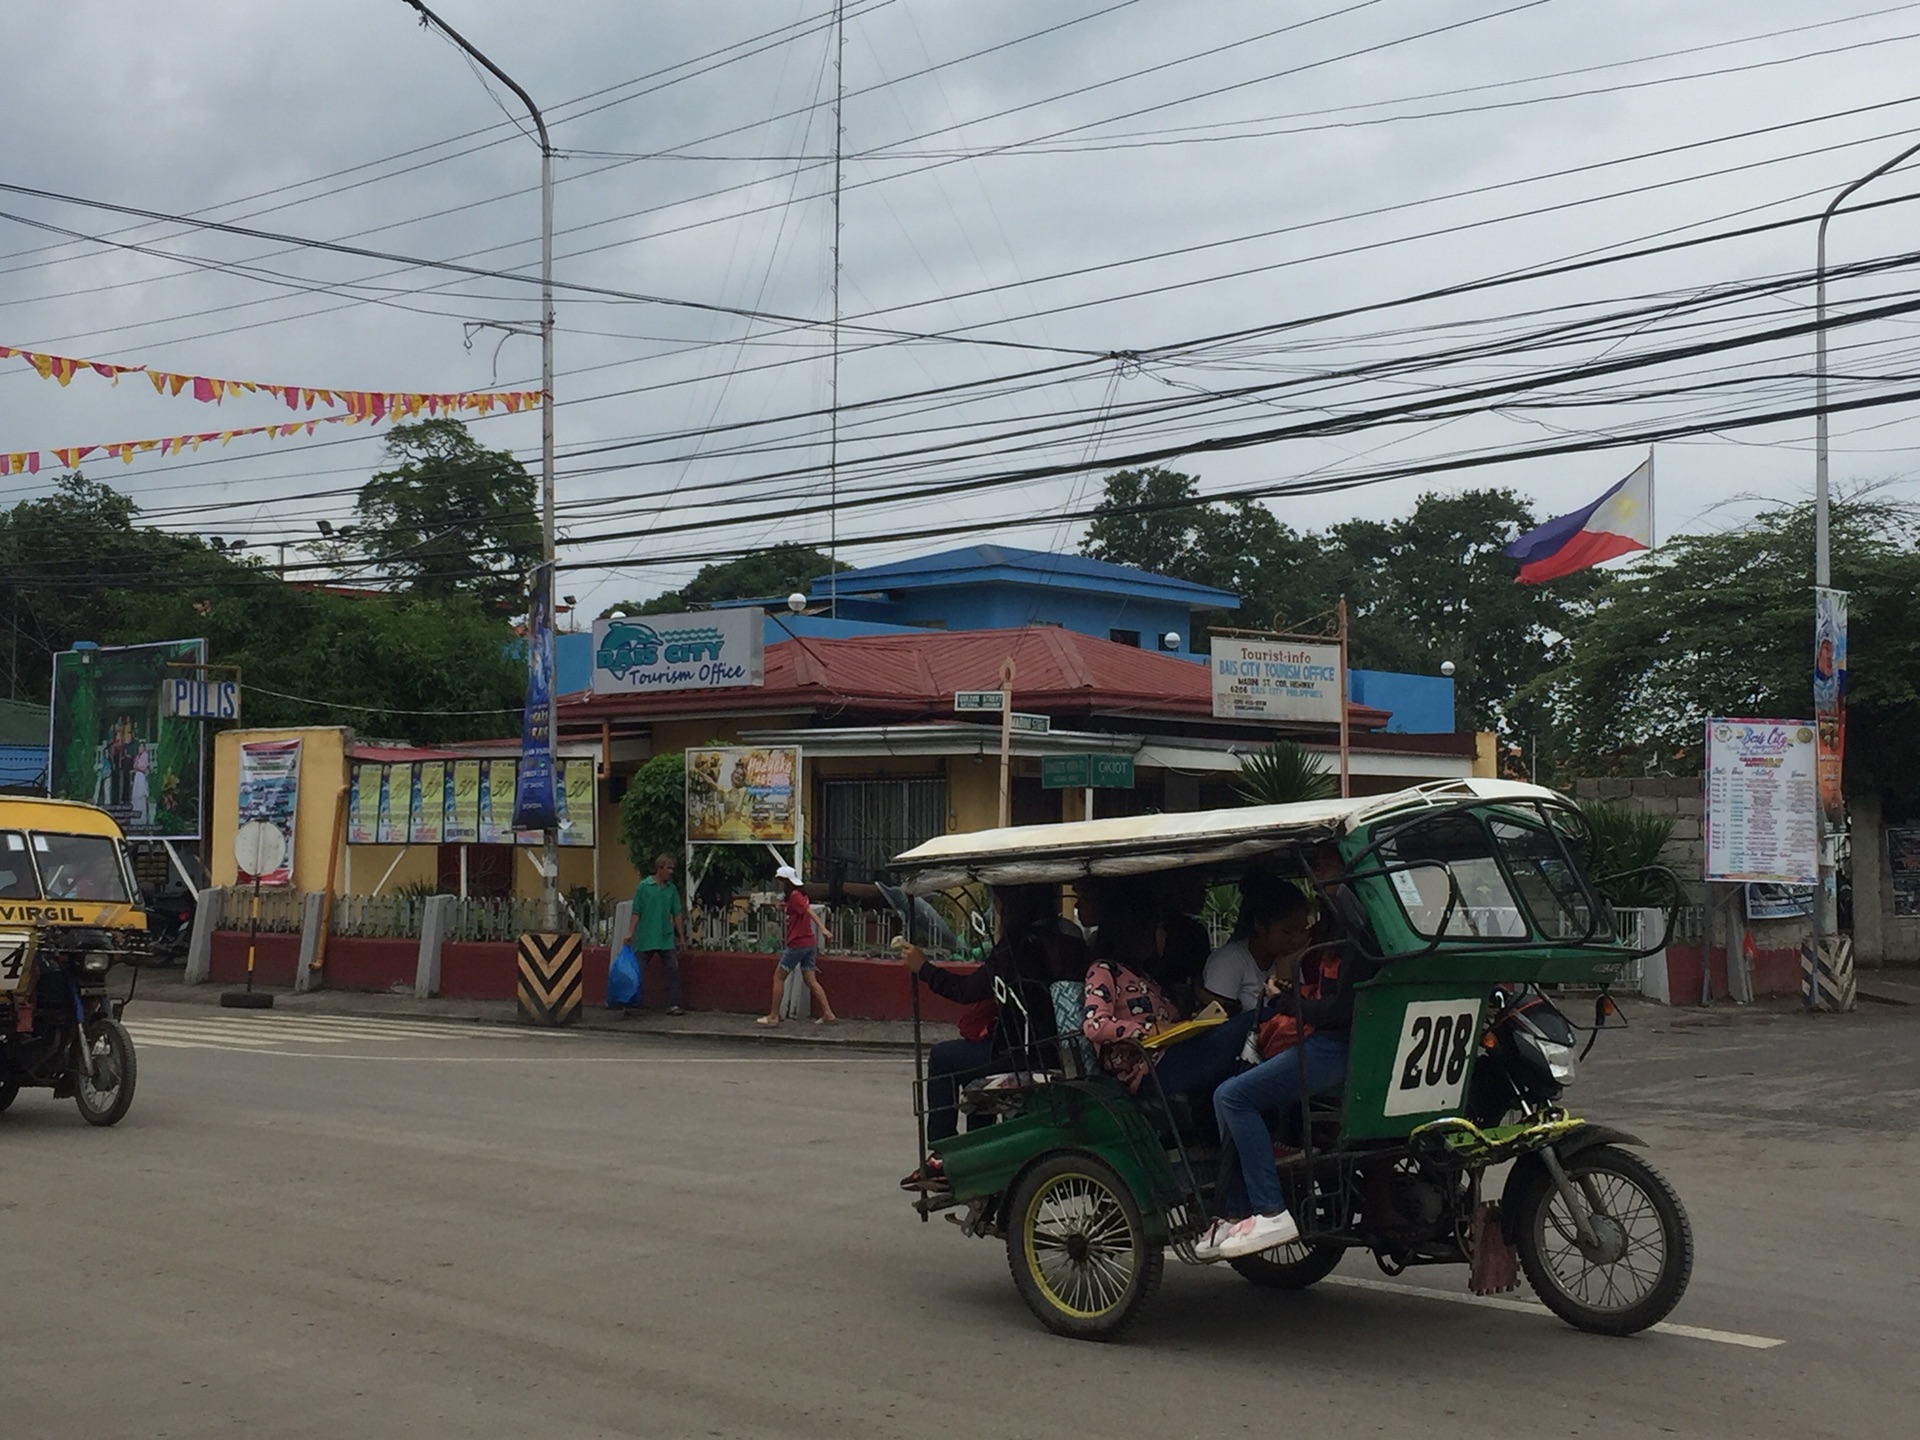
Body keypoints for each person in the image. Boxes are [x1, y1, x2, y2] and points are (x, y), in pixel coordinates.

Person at [1197, 847, 1383, 1262]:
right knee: (1226, 1095)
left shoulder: (1358, 931)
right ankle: (1241, 1212)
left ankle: (1267, 1208)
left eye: (1326, 864)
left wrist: (1285, 1004)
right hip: (1333, 1041)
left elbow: (1339, 1012)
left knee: (1231, 1096)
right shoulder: (1352, 927)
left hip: (1334, 1046)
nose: (1319, 873)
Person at [897, 884, 1088, 1169]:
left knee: (942, 1057)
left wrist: (924, 968)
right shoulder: (1071, 940)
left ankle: (942, 1152)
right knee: (976, 1065)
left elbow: (967, 990)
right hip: (1057, 1050)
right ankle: (981, 1150)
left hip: (1023, 1054)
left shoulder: (1020, 946)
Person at [1200, 876, 1316, 1013]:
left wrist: (1286, 974)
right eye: (1287, 931)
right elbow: (1218, 1024)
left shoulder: (1288, 959)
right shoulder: (1229, 960)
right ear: (1260, 925)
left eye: (1303, 930)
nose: (1296, 940)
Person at [760, 865, 837, 1027]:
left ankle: (774, 1016)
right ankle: (828, 1013)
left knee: (778, 977)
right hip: (808, 943)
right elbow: (799, 911)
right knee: (810, 980)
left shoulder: (795, 895)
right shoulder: (798, 895)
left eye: (781, 880)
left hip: (797, 943)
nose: (780, 884)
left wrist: (823, 928)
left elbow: (809, 911)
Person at [623, 852, 688, 1015]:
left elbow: (677, 914)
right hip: (646, 935)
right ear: (659, 868)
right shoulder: (644, 887)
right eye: (668, 868)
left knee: (672, 970)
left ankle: (674, 1004)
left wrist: (681, 936)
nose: (671, 872)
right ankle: (630, 1003)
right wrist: (630, 932)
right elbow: (636, 912)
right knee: (636, 971)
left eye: (672, 869)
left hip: (665, 936)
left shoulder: (670, 889)